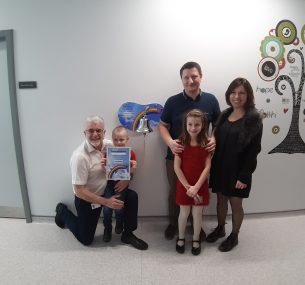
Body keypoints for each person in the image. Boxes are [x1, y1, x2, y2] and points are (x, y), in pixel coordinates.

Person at [55, 116, 148, 250]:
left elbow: (124, 167)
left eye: (98, 130)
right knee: (85, 239)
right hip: (89, 198)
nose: (95, 134)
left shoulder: (112, 145)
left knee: (132, 197)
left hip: (109, 190)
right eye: (90, 131)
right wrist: (106, 202)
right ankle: (63, 212)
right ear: (84, 133)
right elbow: (79, 191)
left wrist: (128, 176)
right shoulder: (79, 157)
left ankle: (127, 234)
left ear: (104, 133)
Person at [159, 61, 220, 240]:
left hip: (200, 157)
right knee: (175, 191)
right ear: (181, 79)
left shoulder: (211, 100)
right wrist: (170, 142)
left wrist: (214, 138)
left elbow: (218, 124)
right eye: (186, 77)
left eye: (194, 76)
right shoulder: (172, 101)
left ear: (200, 76)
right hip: (175, 156)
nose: (190, 80)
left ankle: (196, 226)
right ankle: (173, 223)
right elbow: (162, 126)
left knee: (198, 190)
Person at [206, 78, 263, 252]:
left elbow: (254, 150)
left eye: (241, 93)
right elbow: (214, 136)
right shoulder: (224, 115)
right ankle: (221, 228)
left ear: (248, 95)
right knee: (221, 199)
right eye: (233, 92)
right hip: (220, 165)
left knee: (235, 202)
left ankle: (234, 235)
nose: (236, 96)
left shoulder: (254, 119)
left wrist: (244, 175)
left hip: (239, 170)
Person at [174, 109, 211, 255]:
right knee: (183, 213)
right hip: (184, 185)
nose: (193, 128)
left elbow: (207, 167)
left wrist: (196, 187)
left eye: (197, 124)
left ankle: (196, 239)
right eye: (190, 124)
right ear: (186, 124)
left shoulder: (206, 143)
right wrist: (188, 187)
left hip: (200, 186)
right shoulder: (180, 143)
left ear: (202, 125)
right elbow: (177, 168)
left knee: (197, 214)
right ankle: (181, 238)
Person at [102, 126, 137, 243]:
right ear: (112, 140)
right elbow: (105, 171)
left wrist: (133, 169)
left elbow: (132, 172)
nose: (118, 142)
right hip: (109, 183)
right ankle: (107, 228)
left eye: (121, 140)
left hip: (122, 184)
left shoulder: (131, 153)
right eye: (116, 140)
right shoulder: (109, 152)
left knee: (118, 207)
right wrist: (104, 165)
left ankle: (119, 223)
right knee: (106, 209)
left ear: (127, 139)